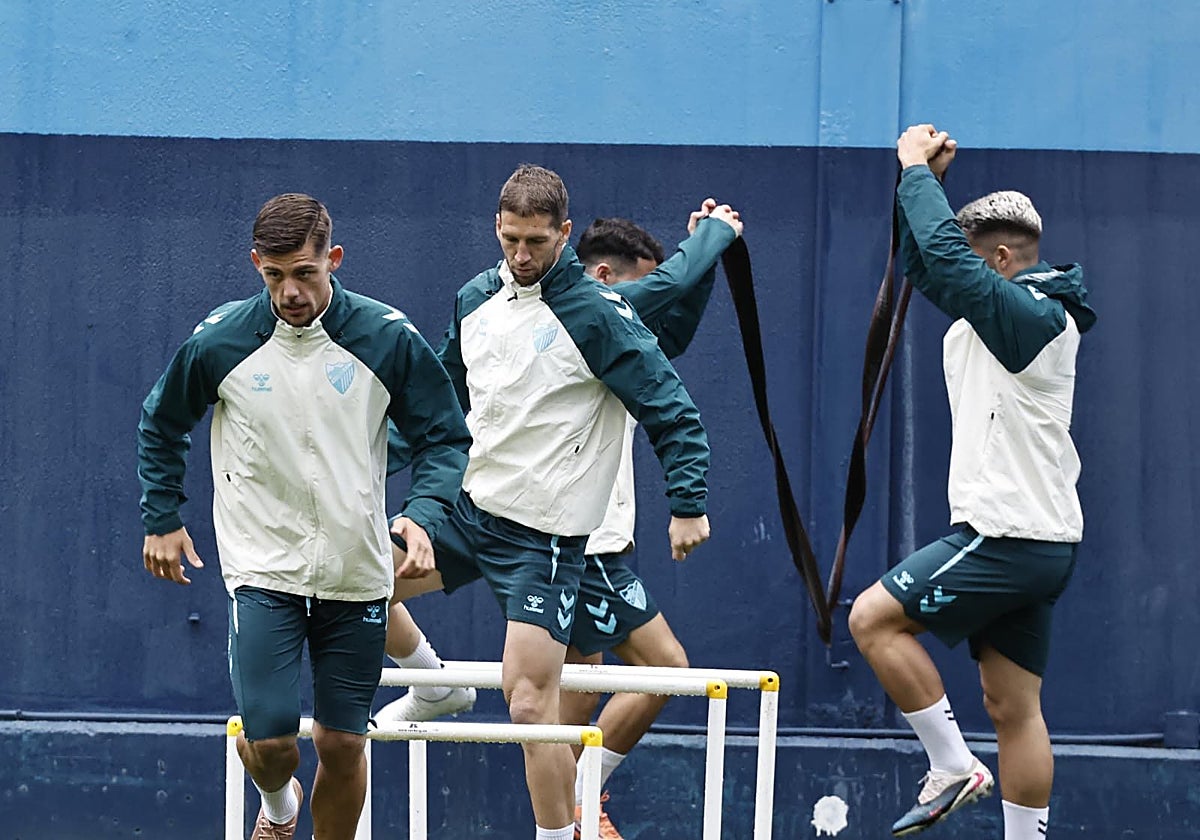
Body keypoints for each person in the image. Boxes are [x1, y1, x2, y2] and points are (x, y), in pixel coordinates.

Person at [378, 164, 713, 840]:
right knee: (350, 588)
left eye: (535, 241)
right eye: (510, 240)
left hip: (546, 542)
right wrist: (369, 459)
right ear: (496, 231)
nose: (522, 256)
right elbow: (440, 403)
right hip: (470, 515)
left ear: (564, 233)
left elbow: (670, 406)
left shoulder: (598, 313)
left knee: (533, 706)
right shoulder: (476, 298)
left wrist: (688, 502)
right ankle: (435, 683)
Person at [137, 193, 471, 840]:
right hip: (263, 566)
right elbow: (162, 421)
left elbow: (444, 436)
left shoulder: (386, 336)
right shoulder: (221, 340)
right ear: (256, 263)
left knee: (344, 745)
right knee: (269, 746)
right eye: (275, 275)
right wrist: (161, 517)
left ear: (333, 259)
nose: (290, 291)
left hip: (356, 571)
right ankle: (279, 809)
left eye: (305, 274)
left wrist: (424, 514)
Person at [847, 126, 1096, 839]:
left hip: (1007, 533)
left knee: (872, 618)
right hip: (1037, 539)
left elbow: (953, 271)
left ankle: (952, 766)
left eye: (976, 257)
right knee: (1013, 708)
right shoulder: (999, 312)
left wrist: (911, 164)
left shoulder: (1037, 316)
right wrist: (920, 183)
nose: (964, 270)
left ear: (1003, 257)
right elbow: (929, 267)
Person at [559, 205, 742, 839]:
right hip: (586, 546)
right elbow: (664, 291)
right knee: (665, 669)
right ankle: (580, 802)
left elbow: (673, 327)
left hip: (594, 542)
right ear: (606, 277)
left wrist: (705, 262)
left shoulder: (617, 338)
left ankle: (564, 814)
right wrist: (714, 236)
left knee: (572, 704)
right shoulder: (584, 316)